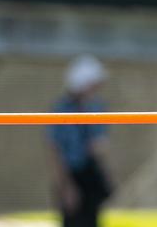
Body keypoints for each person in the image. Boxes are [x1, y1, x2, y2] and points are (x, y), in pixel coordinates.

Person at [48, 55, 114, 227]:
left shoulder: (97, 106)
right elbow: (55, 150)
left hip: (90, 176)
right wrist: (66, 186)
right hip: (71, 176)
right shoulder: (61, 109)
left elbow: (99, 145)